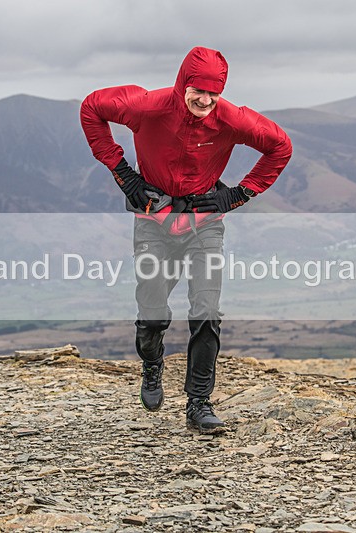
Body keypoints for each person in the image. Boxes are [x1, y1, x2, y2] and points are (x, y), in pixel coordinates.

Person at [80, 46, 292, 432]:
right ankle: (152, 363)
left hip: (203, 223)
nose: (206, 100)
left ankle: (199, 403)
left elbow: (280, 146)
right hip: (153, 220)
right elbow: (92, 107)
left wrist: (237, 194)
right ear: (183, 84)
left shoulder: (231, 118)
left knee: (206, 310)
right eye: (198, 90)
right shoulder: (146, 106)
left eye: (214, 93)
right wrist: (124, 174)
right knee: (151, 311)